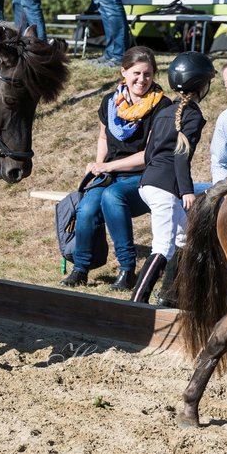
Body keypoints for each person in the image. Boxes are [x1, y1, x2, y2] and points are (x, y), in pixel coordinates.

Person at [60, 46, 167, 290]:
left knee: (112, 197)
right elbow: (103, 138)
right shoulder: (110, 102)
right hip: (111, 174)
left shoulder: (162, 105)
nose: (142, 79)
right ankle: (80, 268)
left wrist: (107, 165)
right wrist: (98, 167)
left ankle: (127, 269)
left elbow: (147, 155)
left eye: (148, 74)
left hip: (144, 175)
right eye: (136, 73)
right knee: (86, 208)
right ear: (124, 72)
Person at [131, 52, 215, 304]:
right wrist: (186, 191)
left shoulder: (165, 110)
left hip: (148, 182)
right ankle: (136, 301)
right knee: (163, 247)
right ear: (202, 85)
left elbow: (149, 153)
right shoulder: (193, 115)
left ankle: (172, 296)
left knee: (183, 236)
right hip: (165, 186)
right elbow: (180, 157)